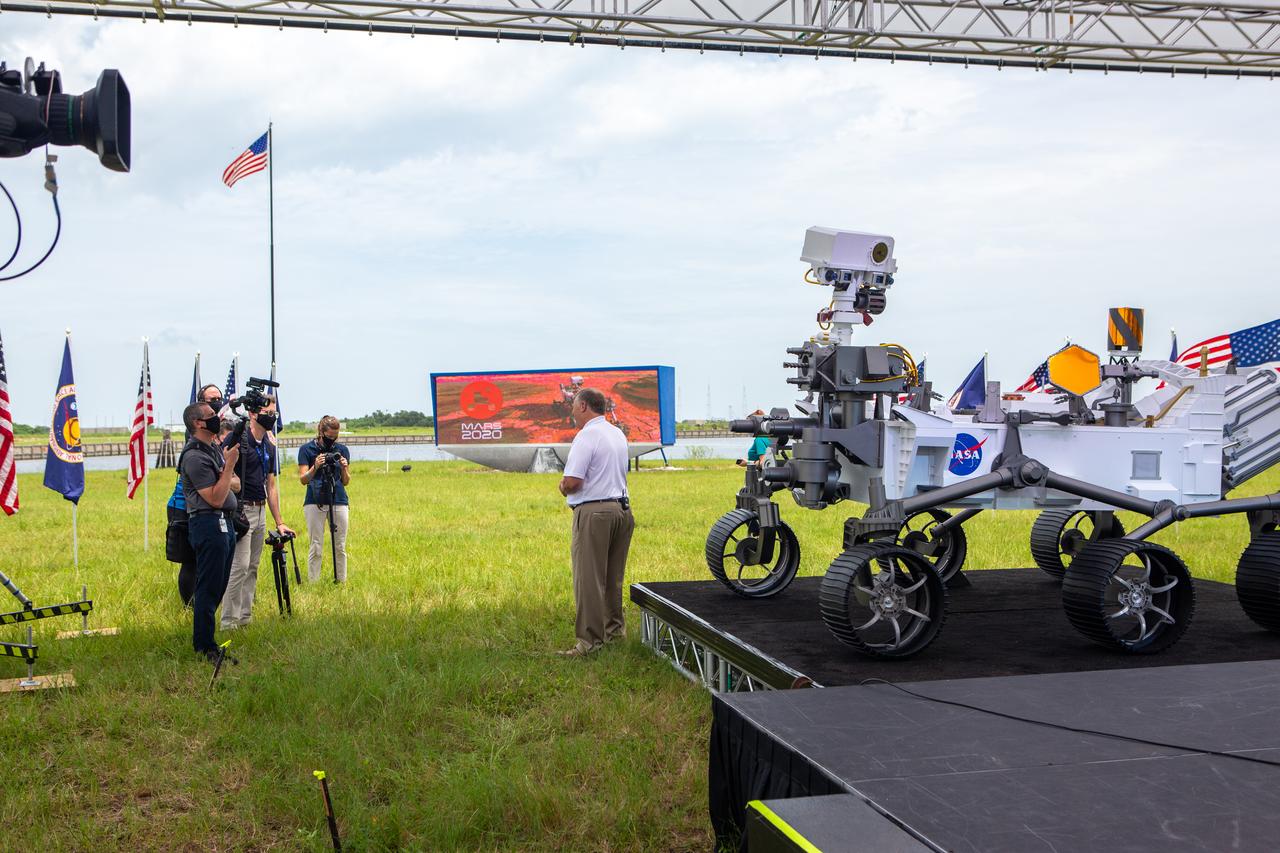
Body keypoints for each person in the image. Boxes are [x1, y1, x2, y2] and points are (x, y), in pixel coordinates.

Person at [557, 388, 635, 657]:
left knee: (589, 579)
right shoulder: (616, 433)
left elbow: (573, 481)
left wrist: (562, 486)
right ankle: (615, 633)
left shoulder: (586, 435)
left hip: (594, 512)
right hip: (621, 509)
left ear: (583, 407)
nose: (572, 412)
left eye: (573, 406)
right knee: (613, 578)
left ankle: (589, 642)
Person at [220, 398, 294, 629]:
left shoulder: (269, 446)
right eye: (267, 412)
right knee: (239, 566)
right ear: (252, 414)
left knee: (252, 566)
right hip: (242, 509)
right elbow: (222, 467)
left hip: (261, 509)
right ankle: (228, 621)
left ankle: (245, 618)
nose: (272, 417)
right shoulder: (239, 439)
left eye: (274, 413)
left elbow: (271, 486)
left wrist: (279, 521)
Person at [179, 400, 240, 664]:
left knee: (219, 585)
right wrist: (228, 468)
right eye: (211, 415)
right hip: (207, 524)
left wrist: (226, 475)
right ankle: (205, 647)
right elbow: (215, 497)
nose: (217, 417)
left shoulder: (212, 449)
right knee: (208, 588)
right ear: (197, 423)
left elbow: (235, 485)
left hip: (225, 523)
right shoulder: (194, 456)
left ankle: (208, 639)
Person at [168, 384, 223, 606]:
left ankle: (204, 601)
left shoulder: (216, 432)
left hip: (207, 502)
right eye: (212, 400)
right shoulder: (196, 437)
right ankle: (189, 605)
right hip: (185, 503)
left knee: (206, 559)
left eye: (219, 398)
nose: (217, 403)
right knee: (190, 559)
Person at [297, 416, 352, 583]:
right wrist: (315, 466)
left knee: (340, 545)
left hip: (338, 499)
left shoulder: (342, 450)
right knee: (316, 544)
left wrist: (344, 468)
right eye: (329, 436)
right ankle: (313, 582)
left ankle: (341, 581)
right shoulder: (306, 449)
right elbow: (303, 479)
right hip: (314, 500)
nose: (332, 439)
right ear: (321, 432)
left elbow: (346, 481)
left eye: (335, 436)